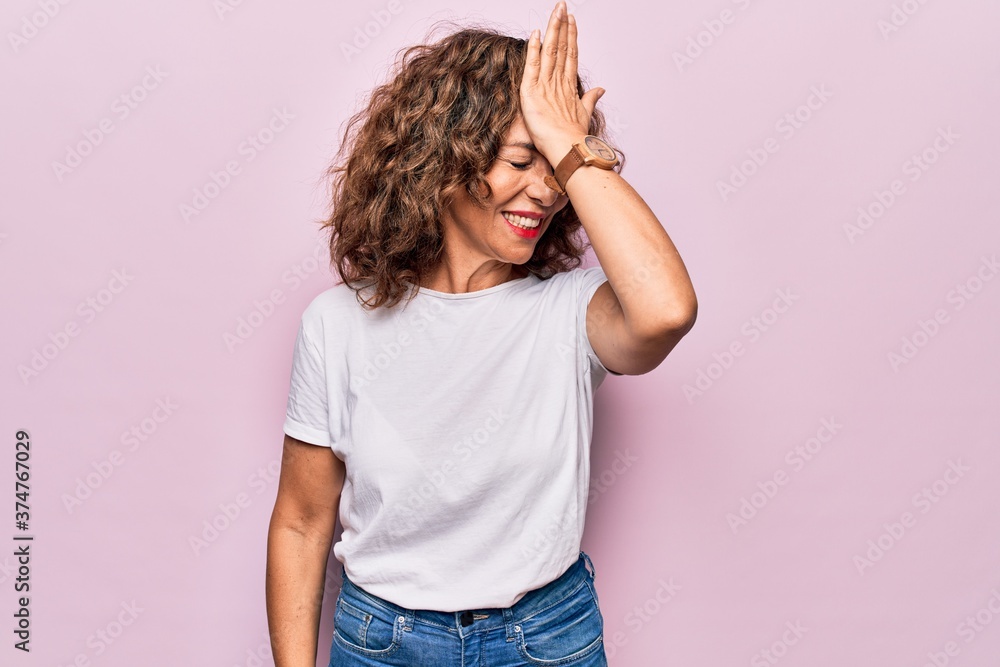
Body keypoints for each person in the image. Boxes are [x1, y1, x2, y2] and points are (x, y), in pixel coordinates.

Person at [265, 2, 697, 665]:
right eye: (522, 159)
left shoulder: (570, 313)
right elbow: (300, 521)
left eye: (555, 170)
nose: (546, 190)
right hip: (383, 643)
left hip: (547, 637)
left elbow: (667, 309)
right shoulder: (337, 325)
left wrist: (572, 147)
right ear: (444, 158)